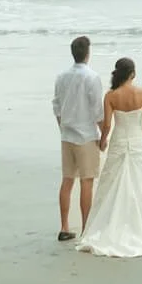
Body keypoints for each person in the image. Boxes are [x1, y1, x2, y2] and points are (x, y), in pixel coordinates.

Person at [76, 56, 142, 257]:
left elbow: (106, 125)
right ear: (132, 73)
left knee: (112, 184)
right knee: (141, 185)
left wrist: (103, 141)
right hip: (137, 141)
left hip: (119, 142)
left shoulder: (111, 96)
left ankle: (110, 226)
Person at [53, 35, 104, 242]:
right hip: (85, 135)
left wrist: (62, 127)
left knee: (67, 180)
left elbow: (56, 105)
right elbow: (97, 110)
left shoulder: (62, 76)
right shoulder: (92, 77)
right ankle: (86, 228)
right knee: (87, 181)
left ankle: (64, 226)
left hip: (67, 134)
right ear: (88, 53)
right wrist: (104, 134)